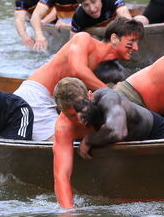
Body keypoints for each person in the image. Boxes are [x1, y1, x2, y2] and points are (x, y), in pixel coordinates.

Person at [52, 77, 164, 207]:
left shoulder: (108, 98)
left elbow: (118, 132)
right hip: (123, 148)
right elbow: (61, 176)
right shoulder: (63, 127)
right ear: (62, 112)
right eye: (72, 115)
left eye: (81, 110)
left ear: (90, 96)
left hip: (155, 133)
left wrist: (89, 140)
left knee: (160, 178)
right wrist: (68, 215)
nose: (79, 119)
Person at [13, 17, 144, 141]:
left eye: (138, 43)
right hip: (36, 97)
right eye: (132, 42)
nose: (136, 48)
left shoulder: (105, 67)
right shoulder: (83, 39)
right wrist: (111, 92)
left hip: (56, 103)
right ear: (114, 38)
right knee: (62, 144)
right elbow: (78, 70)